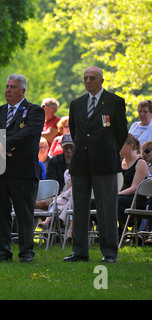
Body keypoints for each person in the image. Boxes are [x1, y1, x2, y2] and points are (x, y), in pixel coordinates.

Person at [64, 66, 128, 263]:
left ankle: (109, 253)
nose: (88, 81)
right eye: (85, 78)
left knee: (106, 208)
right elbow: (75, 132)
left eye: (92, 78)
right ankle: (79, 252)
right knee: (80, 208)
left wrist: (105, 149)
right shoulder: (77, 104)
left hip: (105, 162)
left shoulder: (115, 102)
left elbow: (121, 132)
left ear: (101, 80)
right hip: (80, 162)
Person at [0, 74, 44, 263]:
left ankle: (26, 252)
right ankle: (4, 251)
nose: (8, 90)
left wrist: (4, 145)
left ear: (23, 90)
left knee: (24, 213)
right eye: (7, 86)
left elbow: (30, 132)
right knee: (0, 212)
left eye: (13, 87)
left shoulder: (34, 111)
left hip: (23, 170)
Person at [117, 134, 149, 238]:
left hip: (136, 199)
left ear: (131, 146)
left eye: (121, 145)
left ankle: (119, 231)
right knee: (95, 201)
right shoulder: (120, 162)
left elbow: (135, 188)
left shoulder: (140, 163)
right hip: (122, 197)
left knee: (114, 201)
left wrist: (116, 194)